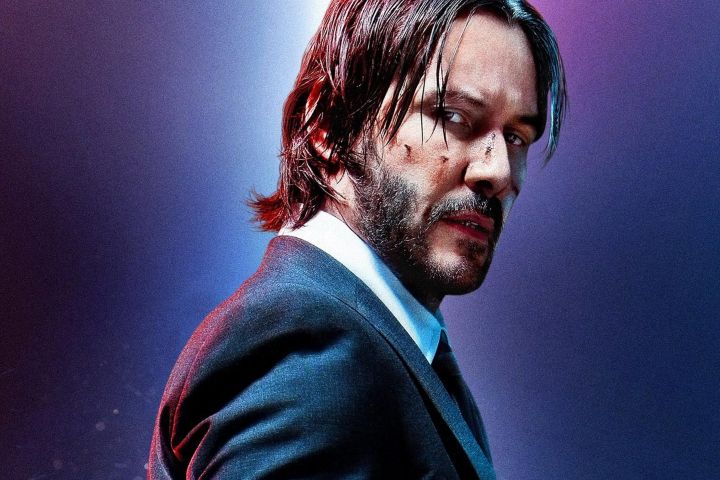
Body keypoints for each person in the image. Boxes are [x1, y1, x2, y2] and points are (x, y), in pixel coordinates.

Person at [148, 0, 566, 478]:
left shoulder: (380, 343)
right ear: (329, 127)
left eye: (516, 137)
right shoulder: (308, 347)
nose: (498, 171)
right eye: (451, 115)